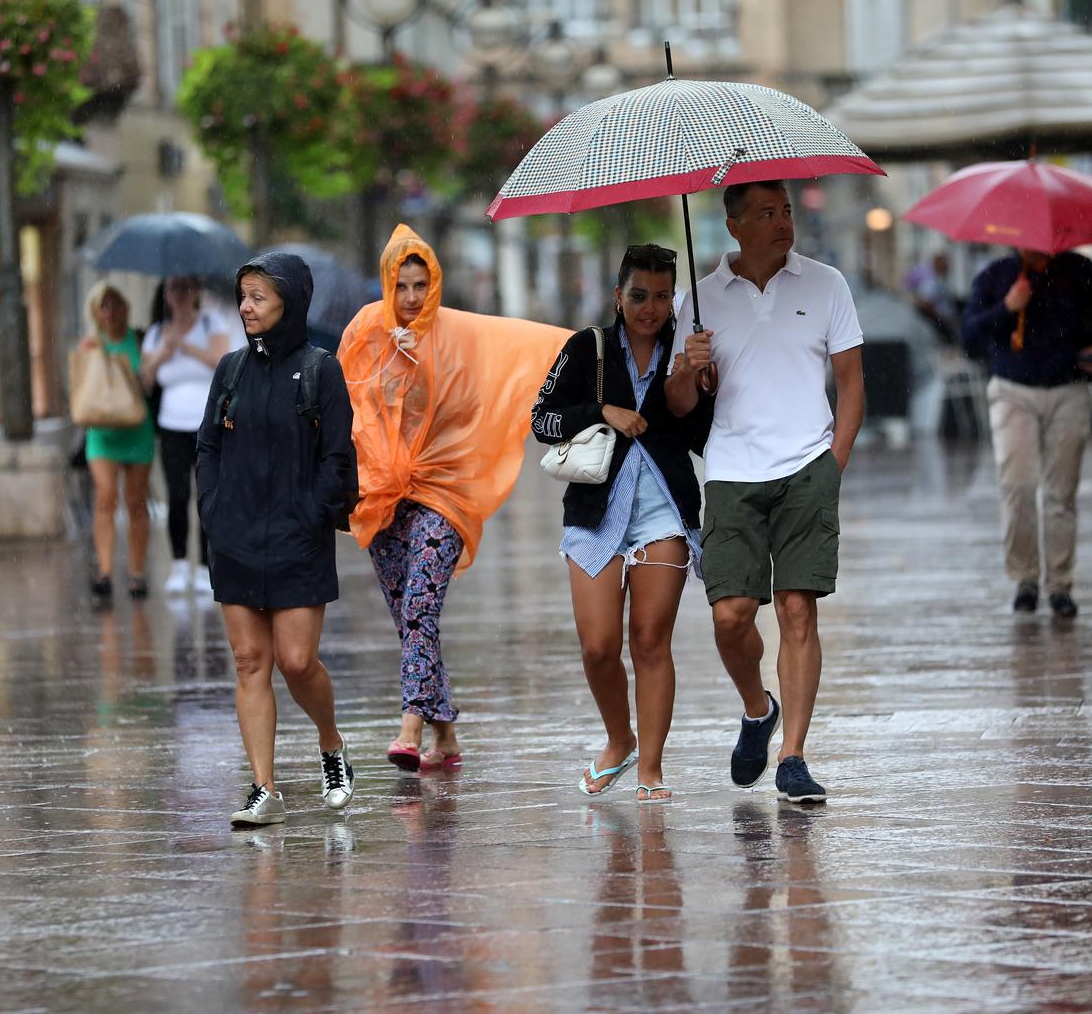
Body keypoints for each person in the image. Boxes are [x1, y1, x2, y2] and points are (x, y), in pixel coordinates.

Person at [338, 225, 567, 773]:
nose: (413, 298)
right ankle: (447, 736)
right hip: (384, 496)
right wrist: (388, 376)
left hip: (443, 494)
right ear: (388, 286)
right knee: (409, 618)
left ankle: (410, 729)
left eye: (421, 284)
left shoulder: (453, 335)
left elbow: (512, 354)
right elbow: (350, 406)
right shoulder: (366, 331)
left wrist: (422, 373)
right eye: (402, 285)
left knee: (420, 605)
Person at [666, 180, 865, 805]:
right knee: (731, 615)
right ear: (733, 226)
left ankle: (794, 755)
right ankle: (758, 708)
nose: (783, 224)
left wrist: (834, 462)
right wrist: (686, 365)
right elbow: (678, 407)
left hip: (808, 463)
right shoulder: (698, 302)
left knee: (798, 610)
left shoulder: (826, 284)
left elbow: (852, 383)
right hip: (731, 470)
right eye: (766, 214)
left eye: (785, 212)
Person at [531, 244, 713, 802]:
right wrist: (600, 411)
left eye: (662, 297)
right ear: (618, 295)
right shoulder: (588, 346)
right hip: (595, 510)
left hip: (663, 508)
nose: (650, 308)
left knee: (651, 640)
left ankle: (651, 769)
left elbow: (700, 435)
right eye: (639, 295)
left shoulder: (687, 351)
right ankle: (619, 738)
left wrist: (689, 380)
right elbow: (542, 419)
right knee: (599, 646)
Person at [197, 252, 356, 827]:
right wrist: (213, 509)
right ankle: (264, 788)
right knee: (248, 661)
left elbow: (338, 455)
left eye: (259, 296)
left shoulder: (321, 369)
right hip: (235, 536)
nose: (246, 306)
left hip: (299, 537)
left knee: (295, 660)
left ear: (289, 301)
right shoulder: (231, 369)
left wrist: (314, 512)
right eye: (242, 295)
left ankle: (331, 744)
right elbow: (209, 444)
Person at [961, 247, 1092, 618]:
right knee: (1017, 485)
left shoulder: (1079, 269)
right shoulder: (997, 275)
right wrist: (1007, 307)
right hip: (1012, 390)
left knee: (1060, 492)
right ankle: (1025, 578)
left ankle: (1060, 584)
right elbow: (969, 337)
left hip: (1069, 389)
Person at [142, 274, 229, 596]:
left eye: (184, 288)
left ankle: (207, 566)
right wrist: (162, 353)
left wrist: (185, 346)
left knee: (207, 495)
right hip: (171, 425)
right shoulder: (156, 334)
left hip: (207, 424)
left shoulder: (210, 323)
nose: (178, 295)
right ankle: (179, 564)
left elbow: (222, 361)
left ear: (195, 292)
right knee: (177, 494)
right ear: (165, 294)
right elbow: (146, 380)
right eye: (172, 289)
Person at [78, 282, 156, 603]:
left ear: (126, 308)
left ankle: (136, 571)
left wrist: (144, 369)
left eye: (116, 305)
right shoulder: (88, 347)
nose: (111, 312)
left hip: (136, 428)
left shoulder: (139, 341)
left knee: (136, 501)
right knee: (105, 497)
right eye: (104, 306)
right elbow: (81, 390)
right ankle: (105, 570)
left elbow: (150, 387)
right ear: (95, 311)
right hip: (102, 433)